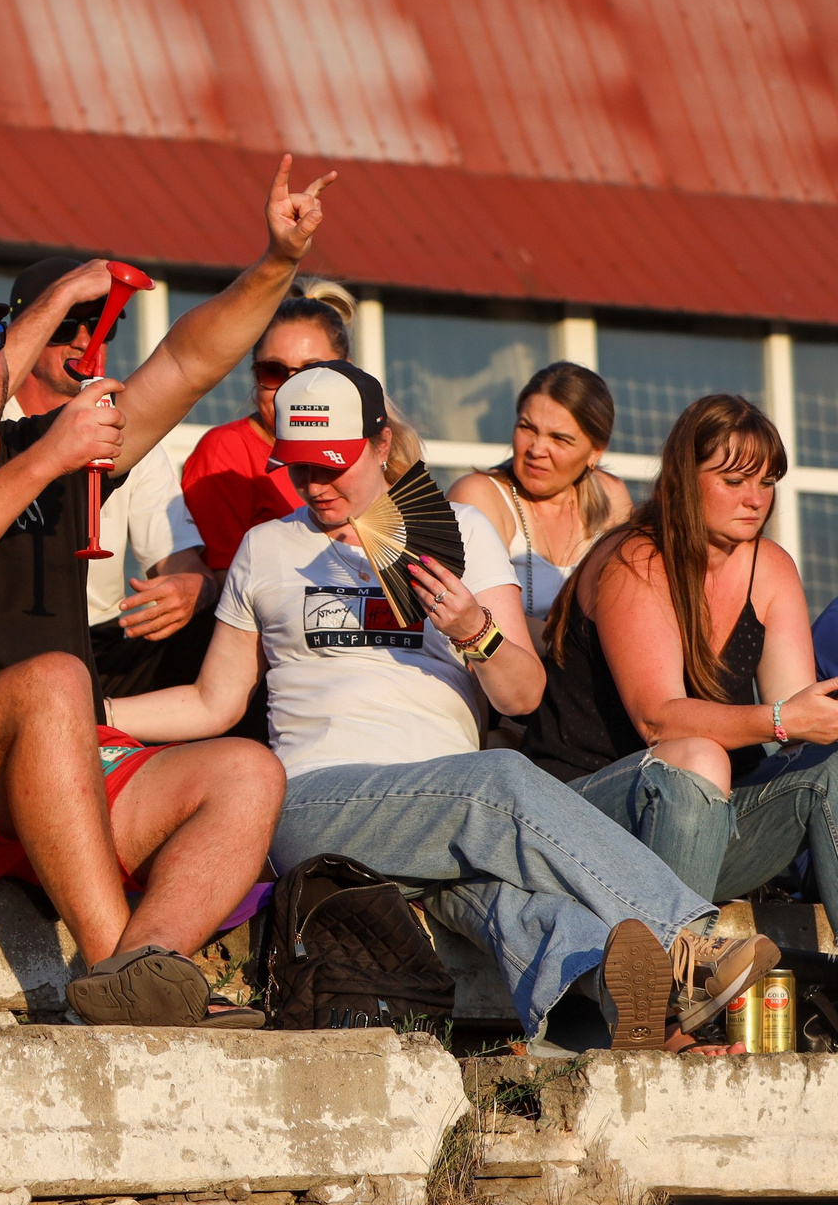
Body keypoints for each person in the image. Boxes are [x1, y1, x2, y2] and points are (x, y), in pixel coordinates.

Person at [109, 363, 776, 1051]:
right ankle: (690, 942)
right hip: (313, 803)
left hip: (446, 818)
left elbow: (522, 694)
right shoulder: (269, 546)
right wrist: (97, 711)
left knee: (516, 905)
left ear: (377, 444)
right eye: (299, 469)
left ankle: (629, 1028)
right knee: (497, 780)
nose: (315, 486)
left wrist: (474, 632)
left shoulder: (459, 529)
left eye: (331, 466)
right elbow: (213, 702)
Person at [0, 160, 334, 1026]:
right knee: (58, 677)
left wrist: (276, 261)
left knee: (247, 772)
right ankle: (116, 963)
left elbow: (190, 359)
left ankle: (146, 969)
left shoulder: (45, 447)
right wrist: (46, 458)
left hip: (64, 772)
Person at [525, 394, 838, 917]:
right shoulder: (634, 558)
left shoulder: (772, 566)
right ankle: (677, 976)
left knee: (831, 769)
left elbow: (796, 724)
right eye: (734, 481)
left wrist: (811, 720)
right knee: (698, 756)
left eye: (766, 482)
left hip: (708, 826)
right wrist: (783, 720)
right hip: (583, 818)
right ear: (682, 480)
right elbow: (658, 719)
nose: (755, 499)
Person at [0, 257, 214, 700]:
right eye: (65, 325)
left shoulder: (125, 428)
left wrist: (194, 588)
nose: (86, 340)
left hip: (101, 641)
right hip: (5, 642)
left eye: (104, 325)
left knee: (225, 636)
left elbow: (180, 561)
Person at [447, 362, 631, 651]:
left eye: (559, 438)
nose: (536, 449)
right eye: (527, 428)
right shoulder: (479, 496)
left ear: (596, 451)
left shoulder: (612, 497)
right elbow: (476, 618)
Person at [181, 279, 357, 571]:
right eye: (274, 372)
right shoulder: (227, 452)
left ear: (348, 371)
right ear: (254, 374)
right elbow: (223, 582)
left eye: (313, 371)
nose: (292, 387)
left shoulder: (373, 445)